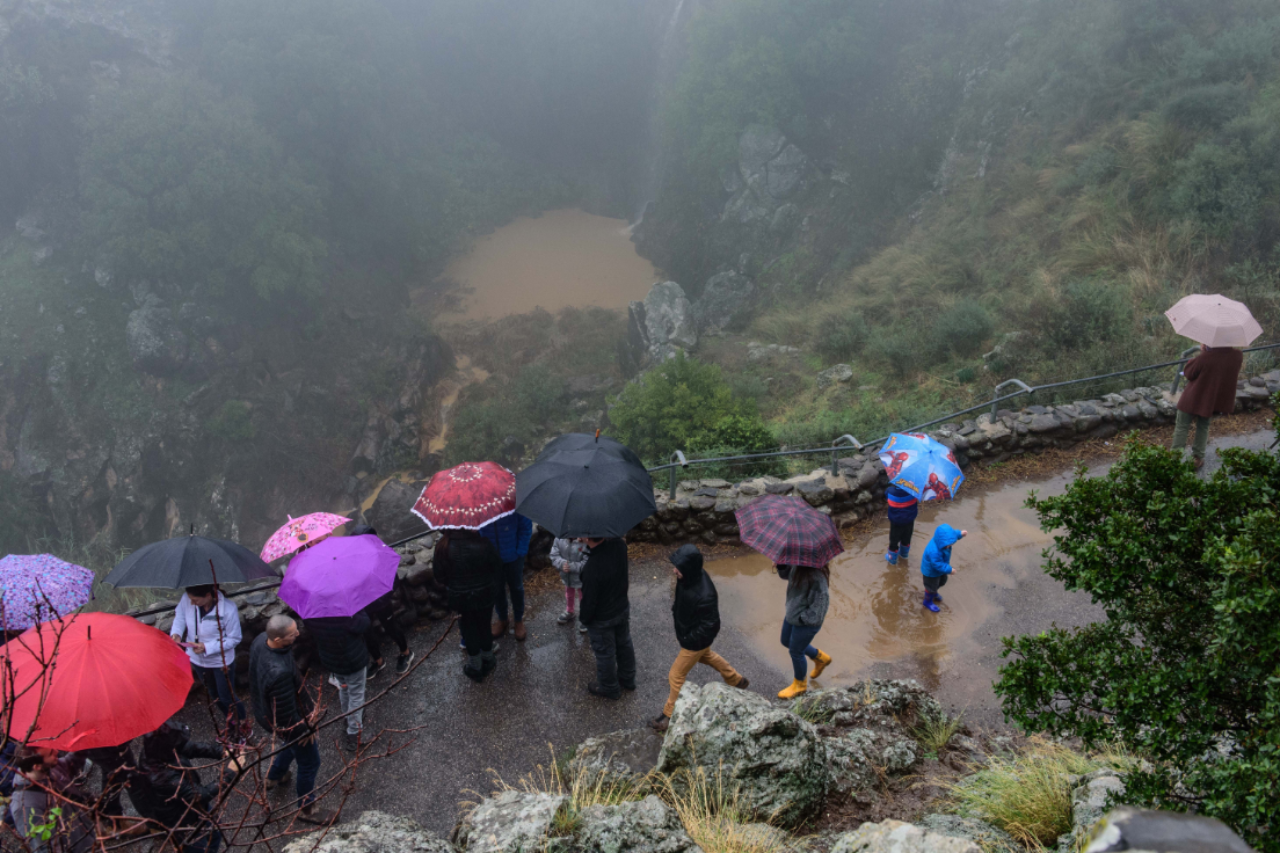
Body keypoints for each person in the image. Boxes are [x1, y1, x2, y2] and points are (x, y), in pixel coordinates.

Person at [247, 615, 335, 826]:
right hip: (290, 722)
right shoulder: (279, 674)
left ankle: (274, 776)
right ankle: (307, 808)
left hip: (267, 713)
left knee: (290, 744)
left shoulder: (261, 640)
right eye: (292, 633)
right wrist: (305, 730)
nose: (298, 633)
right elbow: (287, 717)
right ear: (278, 639)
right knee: (309, 762)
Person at [651, 545, 749, 732]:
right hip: (693, 637)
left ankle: (669, 716)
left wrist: (689, 639)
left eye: (678, 567)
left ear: (688, 568)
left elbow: (712, 625)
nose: (674, 570)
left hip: (694, 641)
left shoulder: (705, 594)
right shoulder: (689, 576)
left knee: (675, 675)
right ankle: (736, 680)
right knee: (707, 656)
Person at [127, 722, 237, 853]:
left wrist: (222, 752)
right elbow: (200, 795)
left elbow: (190, 748)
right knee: (199, 848)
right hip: (182, 822)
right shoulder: (161, 777)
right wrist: (230, 773)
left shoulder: (157, 750)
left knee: (215, 835)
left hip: (195, 809)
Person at [170, 585, 246, 735]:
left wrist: (207, 647)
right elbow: (180, 616)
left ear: (208, 595)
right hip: (198, 660)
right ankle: (231, 723)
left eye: (195, 600)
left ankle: (242, 724)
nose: (191, 603)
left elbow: (234, 638)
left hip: (220, 661)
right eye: (190, 599)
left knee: (226, 696)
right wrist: (176, 634)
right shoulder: (187, 599)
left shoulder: (228, 609)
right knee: (214, 694)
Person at [434, 529, 501, 682]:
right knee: (485, 626)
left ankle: (475, 667)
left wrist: (454, 585)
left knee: (469, 630)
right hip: (485, 594)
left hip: (460, 598)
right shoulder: (484, 543)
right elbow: (497, 567)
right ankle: (488, 659)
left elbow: (439, 576)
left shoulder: (442, 547)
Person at [302, 608, 370, 753]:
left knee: (344, 688)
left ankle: (347, 716)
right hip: (352, 659)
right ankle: (354, 733)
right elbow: (363, 624)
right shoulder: (343, 611)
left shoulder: (310, 612)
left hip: (331, 659)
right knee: (356, 695)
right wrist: (359, 610)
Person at [350, 525, 415, 677]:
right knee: (366, 633)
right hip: (363, 602)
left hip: (380, 601)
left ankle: (406, 652)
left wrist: (382, 597)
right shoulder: (353, 558)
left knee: (391, 627)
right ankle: (378, 661)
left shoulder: (383, 554)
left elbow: (394, 581)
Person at [579, 537, 636, 700]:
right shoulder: (619, 545)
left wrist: (585, 619)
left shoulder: (591, 568)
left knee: (605, 653)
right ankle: (628, 678)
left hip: (602, 619)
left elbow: (589, 602)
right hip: (621, 608)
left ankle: (609, 687)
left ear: (587, 537)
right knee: (624, 643)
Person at [1172, 344, 1244, 469]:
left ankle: (1174, 459)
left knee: (1182, 426)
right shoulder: (1237, 356)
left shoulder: (1205, 357)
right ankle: (1197, 458)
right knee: (1203, 426)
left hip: (1192, 397)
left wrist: (1203, 353)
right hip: (1211, 400)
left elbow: (1189, 373)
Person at [9, 747, 92, 853]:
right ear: (37, 766)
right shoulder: (25, 807)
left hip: (86, 834)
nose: (57, 751)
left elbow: (70, 763)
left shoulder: (49, 768)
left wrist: (82, 744)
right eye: (51, 753)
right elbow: (43, 847)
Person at [777, 563, 832, 699]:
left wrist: (802, 618)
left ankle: (800, 684)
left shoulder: (817, 578)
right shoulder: (798, 566)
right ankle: (820, 658)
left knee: (796, 652)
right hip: (793, 614)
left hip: (806, 622)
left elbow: (820, 608)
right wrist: (781, 565)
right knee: (785, 641)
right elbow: (787, 576)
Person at [480, 513, 533, 640]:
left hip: (514, 555)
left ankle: (518, 620)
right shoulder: (482, 508)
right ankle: (502, 618)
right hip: (492, 558)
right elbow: (477, 530)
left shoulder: (514, 504)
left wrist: (520, 550)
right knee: (497, 589)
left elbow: (525, 525)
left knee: (516, 588)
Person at [75, 742, 135, 818]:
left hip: (98, 746)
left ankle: (111, 812)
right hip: (106, 747)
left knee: (111, 771)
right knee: (133, 779)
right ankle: (112, 813)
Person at [920, 524, 967, 613]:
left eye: (951, 543)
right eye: (949, 544)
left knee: (942, 581)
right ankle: (927, 601)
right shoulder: (934, 551)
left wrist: (960, 534)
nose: (950, 545)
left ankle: (934, 592)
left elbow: (953, 535)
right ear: (942, 542)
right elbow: (937, 564)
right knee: (931, 586)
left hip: (940, 570)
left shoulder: (943, 541)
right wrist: (950, 570)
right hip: (930, 572)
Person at [550, 537, 588, 632]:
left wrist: (572, 566)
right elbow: (554, 555)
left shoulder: (584, 541)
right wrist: (562, 564)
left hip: (582, 576)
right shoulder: (559, 539)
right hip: (567, 575)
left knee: (583, 595)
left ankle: (586, 615)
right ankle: (570, 610)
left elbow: (587, 561)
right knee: (569, 592)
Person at [884, 484, 919, 565]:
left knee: (894, 540)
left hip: (896, 523)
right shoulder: (914, 491)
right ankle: (904, 554)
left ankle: (892, 559)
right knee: (907, 538)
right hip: (909, 521)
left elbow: (887, 498)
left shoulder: (890, 492)